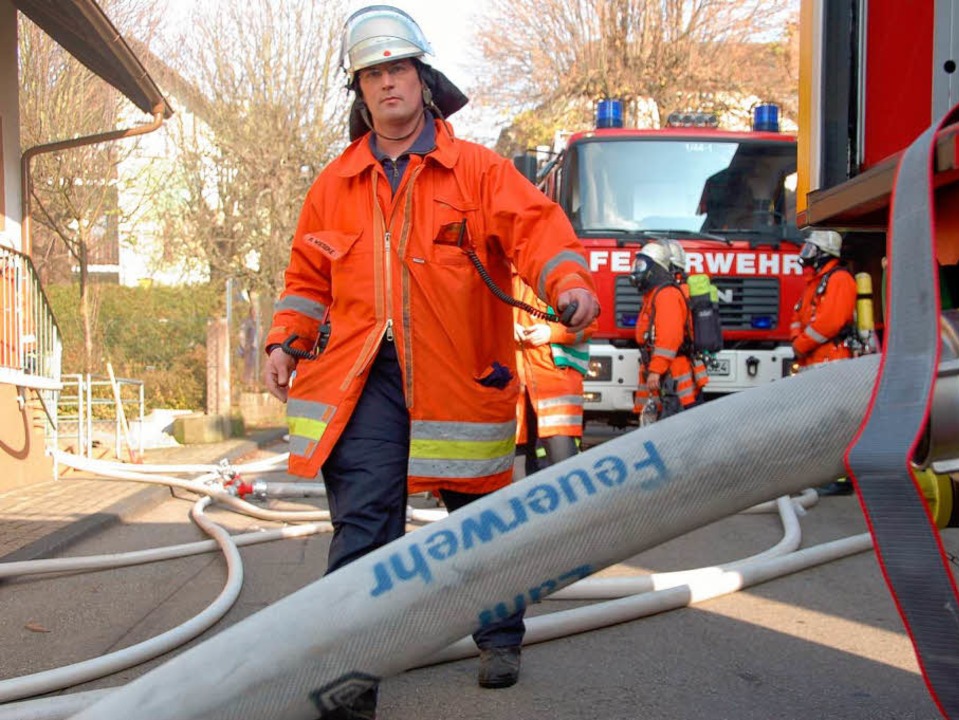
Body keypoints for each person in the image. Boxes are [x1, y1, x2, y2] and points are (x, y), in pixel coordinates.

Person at [261, 6, 600, 717]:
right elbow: (306, 282)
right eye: (372, 73)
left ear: (423, 79)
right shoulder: (333, 184)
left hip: (457, 370)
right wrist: (285, 339)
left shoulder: (477, 171)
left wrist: (567, 283)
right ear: (359, 90)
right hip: (362, 380)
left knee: (478, 519)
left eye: (397, 69)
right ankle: (352, 674)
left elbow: (537, 231)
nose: (387, 84)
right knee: (363, 527)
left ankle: (499, 633)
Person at [789, 229, 857, 495]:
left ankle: (839, 478)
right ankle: (821, 474)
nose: (804, 256)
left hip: (833, 360)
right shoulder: (814, 283)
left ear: (822, 253)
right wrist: (797, 341)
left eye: (809, 250)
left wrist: (801, 344)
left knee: (834, 422)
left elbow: (829, 322)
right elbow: (798, 316)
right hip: (814, 361)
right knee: (818, 422)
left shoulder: (838, 280)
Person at [512, 268, 595, 477]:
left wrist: (550, 332)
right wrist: (506, 326)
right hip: (517, 386)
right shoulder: (504, 274)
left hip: (553, 383)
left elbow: (589, 324)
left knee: (563, 467)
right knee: (518, 466)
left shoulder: (561, 275)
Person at [630, 240, 708, 424]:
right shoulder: (657, 294)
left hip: (674, 379)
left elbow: (669, 337)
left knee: (680, 431)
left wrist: (656, 370)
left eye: (641, 265)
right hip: (667, 377)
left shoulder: (666, 295)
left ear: (655, 268)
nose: (637, 270)